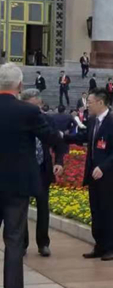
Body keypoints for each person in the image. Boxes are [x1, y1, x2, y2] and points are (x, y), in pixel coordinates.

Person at [0, 63, 63, 288]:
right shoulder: (27, 111)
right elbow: (51, 137)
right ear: (19, 85)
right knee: (14, 239)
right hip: (17, 185)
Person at [64, 88, 113, 261]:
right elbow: (84, 136)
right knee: (96, 211)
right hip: (93, 175)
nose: (87, 106)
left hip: (109, 176)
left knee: (110, 212)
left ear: (100, 102)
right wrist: (63, 137)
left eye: (90, 102)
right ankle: (99, 246)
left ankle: (112, 248)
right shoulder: (92, 120)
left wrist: (103, 167)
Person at [20, 89, 66, 258]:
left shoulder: (47, 120)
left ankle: (43, 243)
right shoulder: (19, 120)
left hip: (42, 169)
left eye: (37, 106)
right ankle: (22, 244)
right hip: (23, 170)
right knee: (21, 209)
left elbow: (58, 142)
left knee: (43, 207)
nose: (35, 110)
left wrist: (59, 161)